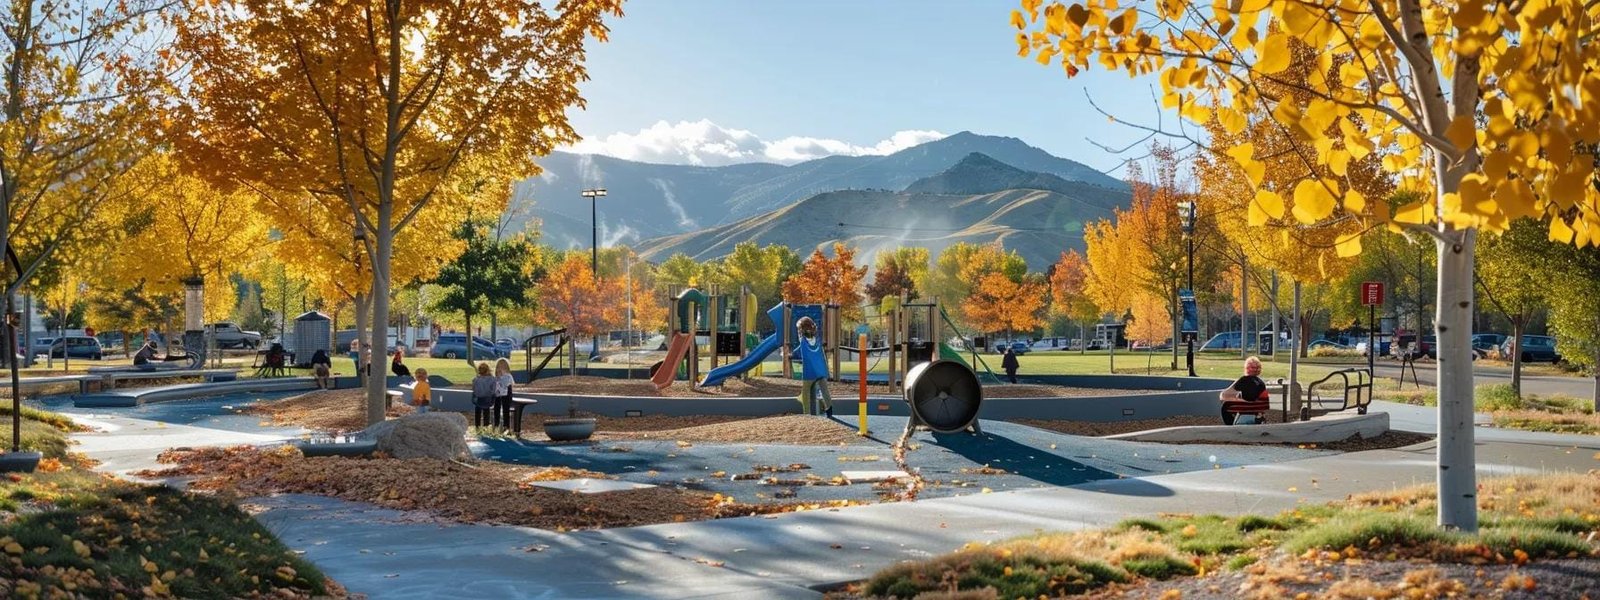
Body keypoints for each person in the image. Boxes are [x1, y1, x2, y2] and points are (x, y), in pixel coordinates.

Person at [795, 316, 832, 417]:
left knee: (805, 391)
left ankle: (807, 413)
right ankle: (829, 409)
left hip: (810, 371)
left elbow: (801, 336)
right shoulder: (817, 340)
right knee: (824, 389)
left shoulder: (802, 340)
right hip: (820, 369)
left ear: (801, 330)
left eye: (799, 329)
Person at [1218, 356, 1271, 425]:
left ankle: (1230, 426)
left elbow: (1223, 395)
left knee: (1226, 405)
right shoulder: (1260, 382)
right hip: (1257, 409)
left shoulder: (1244, 380)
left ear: (1247, 368)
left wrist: (1236, 399)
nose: (1255, 369)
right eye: (1253, 367)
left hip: (1247, 408)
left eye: (1256, 367)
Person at [471, 362, 496, 429]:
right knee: (486, 412)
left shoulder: (476, 379)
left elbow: (473, 389)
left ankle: (477, 426)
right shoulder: (492, 379)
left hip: (478, 399)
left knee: (477, 412)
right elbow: (493, 390)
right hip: (488, 399)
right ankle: (486, 426)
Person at [492, 358, 515, 431]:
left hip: (506, 395)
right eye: (499, 367)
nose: (501, 369)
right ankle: (496, 424)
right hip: (498, 395)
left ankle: (506, 426)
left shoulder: (508, 376)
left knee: (506, 410)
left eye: (503, 367)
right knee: (497, 409)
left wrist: (503, 378)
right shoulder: (496, 377)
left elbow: (510, 384)